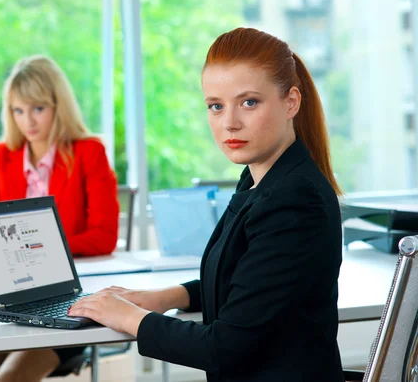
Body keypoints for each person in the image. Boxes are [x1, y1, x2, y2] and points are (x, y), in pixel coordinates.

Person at [68, 27, 345, 382]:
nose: (229, 122)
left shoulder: (294, 201)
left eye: (249, 102)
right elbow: (245, 281)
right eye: (216, 106)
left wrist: (128, 317)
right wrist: (162, 297)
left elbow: (223, 347)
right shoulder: (262, 178)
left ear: (291, 102)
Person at [0, 55, 119, 382]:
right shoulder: (0, 156)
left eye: (38, 108)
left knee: (8, 379)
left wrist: (41, 251)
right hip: (11, 301)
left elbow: (104, 236)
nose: (28, 120)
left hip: (67, 303)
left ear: (59, 106)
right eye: (18, 110)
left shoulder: (88, 152)